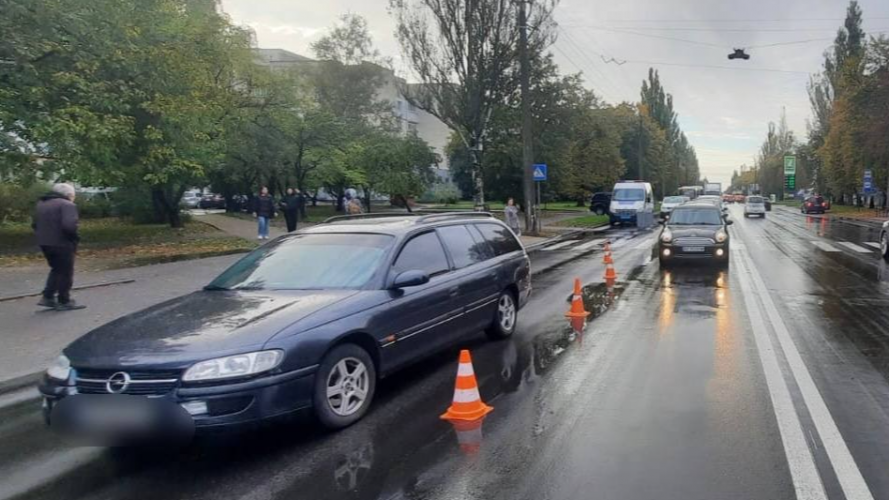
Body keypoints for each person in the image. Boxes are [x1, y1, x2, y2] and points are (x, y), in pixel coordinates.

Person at [33, 183, 85, 311]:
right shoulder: (67, 205)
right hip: (62, 243)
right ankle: (64, 300)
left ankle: (48, 297)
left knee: (56, 269)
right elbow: (69, 226)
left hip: (45, 242)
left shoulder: (41, 204)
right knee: (66, 272)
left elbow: (34, 224)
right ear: (69, 195)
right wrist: (74, 238)